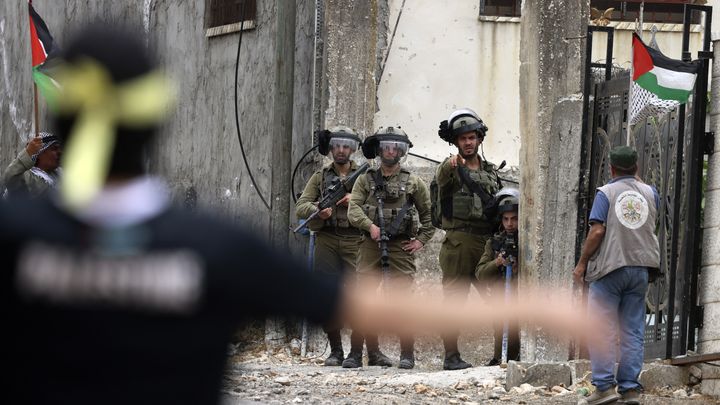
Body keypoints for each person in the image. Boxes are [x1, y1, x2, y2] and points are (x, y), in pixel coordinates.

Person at [573, 146, 660, 405]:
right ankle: (630, 388)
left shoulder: (606, 193)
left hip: (610, 269)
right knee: (632, 330)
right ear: (637, 168)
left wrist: (581, 264)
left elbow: (597, 231)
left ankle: (604, 387)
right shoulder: (650, 193)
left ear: (611, 169)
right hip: (641, 270)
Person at [345, 126, 435, 369]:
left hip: (399, 248)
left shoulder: (414, 182)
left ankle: (407, 353)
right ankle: (356, 353)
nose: (390, 151)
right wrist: (370, 226)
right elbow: (353, 210)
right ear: (379, 150)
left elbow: (430, 216)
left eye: (395, 147)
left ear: (401, 151)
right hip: (371, 246)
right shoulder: (365, 179)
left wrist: (421, 240)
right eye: (385, 146)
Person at [435, 108, 502, 369]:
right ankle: (451, 356)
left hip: (486, 244)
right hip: (459, 243)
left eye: (472, 137)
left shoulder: (490, 171)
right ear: (456, 142)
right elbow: (441, 177)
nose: (468, 142)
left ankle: (502, 356)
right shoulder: (451, 168)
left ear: (479, 139)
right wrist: (450, 164)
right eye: (463, 138)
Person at [295, 126, 365, 366]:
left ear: (353, 149)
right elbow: (301, 206)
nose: (341, 150)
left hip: (356, 239)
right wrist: (318, 211)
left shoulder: (365, 176)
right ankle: (336, 351)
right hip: (326, 240)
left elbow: (377, 209)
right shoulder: (320, 176)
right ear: (331, 149)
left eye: (346, 146)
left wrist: (353, 202)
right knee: (327, 294)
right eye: (336, 146)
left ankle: (356, 353)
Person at [475, 188, 521, 365]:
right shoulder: (493, 243)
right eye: (506, 219)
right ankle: (499, 359)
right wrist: (498, 263)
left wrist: (517, 270)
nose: (510, 224)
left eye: (514, 219)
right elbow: (480, 273)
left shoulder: (527, 241)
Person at [2, 131, 61, 198]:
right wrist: (28, 152)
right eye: (54, 149)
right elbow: (10, 177)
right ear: (39, 154)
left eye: (59, 148)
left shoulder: (59, 174)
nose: (59, 152)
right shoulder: (27, 177)